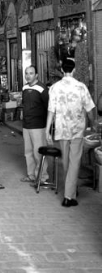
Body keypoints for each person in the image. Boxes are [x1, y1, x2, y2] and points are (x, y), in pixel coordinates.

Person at [46, 59, 96, 207]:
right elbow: (89, 109)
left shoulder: (54, 88)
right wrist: (93, 123)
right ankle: (68, 197)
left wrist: (47, 130)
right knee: (74, 162)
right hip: (76, 130)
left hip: (62, 129)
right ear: (74, 70)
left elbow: (51, 110)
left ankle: (71, 188)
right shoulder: (81, 87)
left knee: (66, 161)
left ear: (62, 70)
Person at [20, 65, 49, 184]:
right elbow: (24, 103)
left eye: (31, 73)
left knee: (38, 152)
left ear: (36, 75)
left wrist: (48, 126)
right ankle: (31, 175)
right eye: (26, 73)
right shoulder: (25, 87)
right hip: (26, 124)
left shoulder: (42, 88)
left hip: (38, 125)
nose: (28, 76)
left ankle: (42, 177)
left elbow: (49, 106)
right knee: (28, 152)